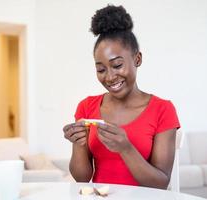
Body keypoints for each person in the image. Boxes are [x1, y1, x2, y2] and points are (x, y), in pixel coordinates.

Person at [63, 5, 180, 189]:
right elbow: (82, 179)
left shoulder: (162, 109)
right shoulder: (86, 107)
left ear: (137, 59)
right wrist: (78, 144)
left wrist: (126, 148)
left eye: (117, 65)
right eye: (101, 69)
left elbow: (161, 184)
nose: (109, 77)